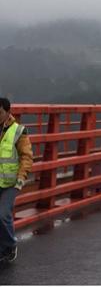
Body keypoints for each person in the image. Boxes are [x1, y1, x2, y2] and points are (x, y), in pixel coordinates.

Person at [0, 97, 33, 264]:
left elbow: (26, 156)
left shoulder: (18, 131)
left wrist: (21, 178)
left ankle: (11, 246)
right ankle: (3, 247)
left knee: (3, 214)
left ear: (7, 112)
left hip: (11, 183)